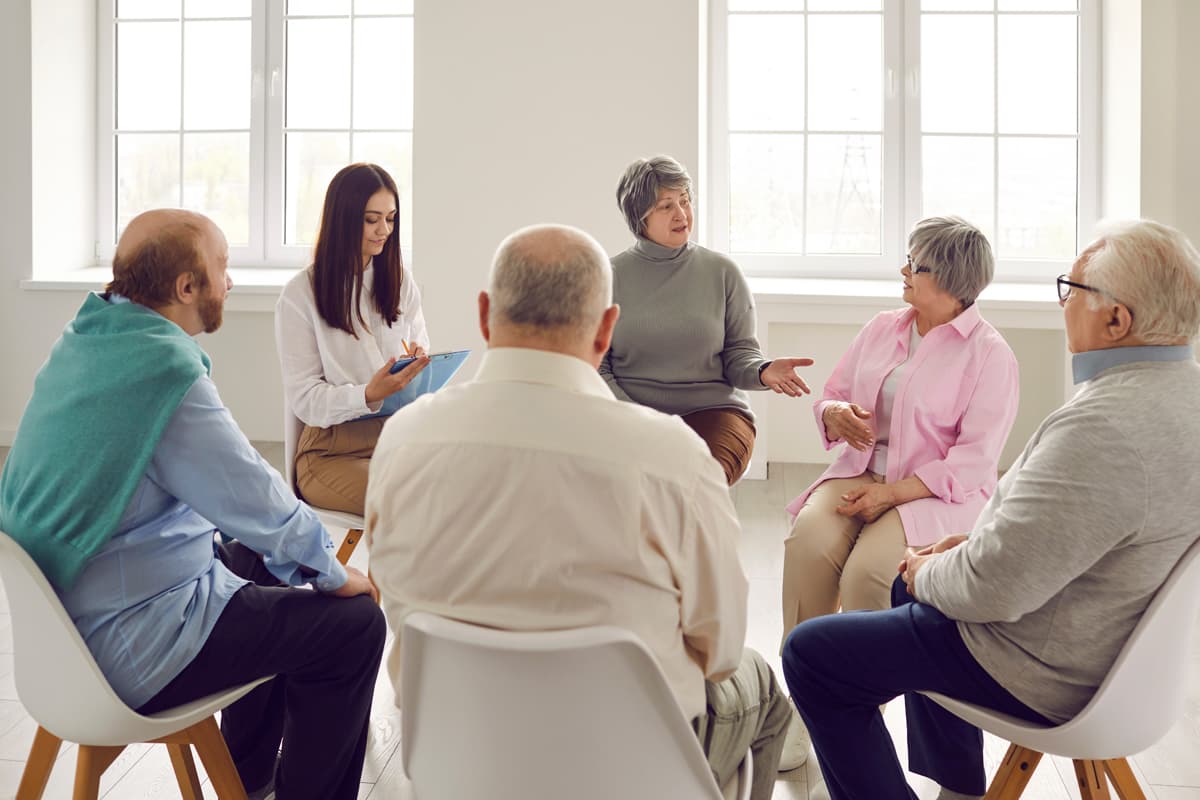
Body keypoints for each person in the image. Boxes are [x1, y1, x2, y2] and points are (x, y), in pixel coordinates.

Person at [366, 224, 791, 800]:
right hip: (632, 770)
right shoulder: (673, 458)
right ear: (606, 329)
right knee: (760, 683)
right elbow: (719, 647)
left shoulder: (402, 440)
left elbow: (394, 601)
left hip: (462, 759)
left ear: (486, 314)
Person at [780, 219, 1200, 800]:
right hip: (1117, 658)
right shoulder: (1181, 400)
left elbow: (992, 591)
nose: (1063, 306)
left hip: (1046, 666)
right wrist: (963, 554)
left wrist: (931, 567)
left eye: (1071, 290)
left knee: (814, 652)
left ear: (1116, 319)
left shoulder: (1100, 426)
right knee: (898, 587)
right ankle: (957, 782)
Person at [0, 209, 385, 800]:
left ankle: (248, 778)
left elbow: (247, 511)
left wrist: (305, 564)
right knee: (354, 625)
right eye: (223, 267)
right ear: (186, 287)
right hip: (133, 644)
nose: (229, 282)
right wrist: (334, 574)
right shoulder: (163, 376)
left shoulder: (88, 342)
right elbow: (254, 495)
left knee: (262, 566)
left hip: (70, 630)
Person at [782, 217, 1018, 631]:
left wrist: (891, 494)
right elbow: (831, 395)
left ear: (949, 279)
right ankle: (805, 679)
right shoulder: (882, 327)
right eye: (908, 260)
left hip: (933, 494)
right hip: (862, 471)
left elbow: (974, 462)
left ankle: (859, 695)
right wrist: (834, 414)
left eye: (917, 265)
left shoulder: (990, 355)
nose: (904, 271)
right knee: (808, 545)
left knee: (869, 575)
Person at [601, 155, 814, 485]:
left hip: (713, 411)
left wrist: (762, 370)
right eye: (666, 205)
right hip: (633, 413)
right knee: (632, 492)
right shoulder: (608, 277)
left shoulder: (722, 272)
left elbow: (738, 355)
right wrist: (636, 418)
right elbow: (598, 366)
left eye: (685, 201)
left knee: (696, 485)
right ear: (639, 216)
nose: (681, 214)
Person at [276, 162, 431, 516]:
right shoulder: (301, 295)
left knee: (465, 488)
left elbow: (421, 353)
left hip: (395, 436)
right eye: (371, 219)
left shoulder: (400, 281)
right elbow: (304, 399)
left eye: (391, 219)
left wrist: (420, 366)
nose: (384, 230)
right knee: (414, 505)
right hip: (330, 451)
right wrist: (368, 394)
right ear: (343, 219)